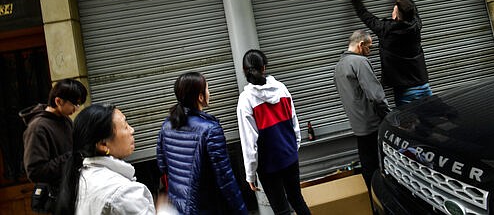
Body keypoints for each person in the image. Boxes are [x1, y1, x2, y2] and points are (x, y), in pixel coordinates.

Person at [157, 72, 247, 215]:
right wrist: (242, 211)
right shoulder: (210, 130)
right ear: (200, 97)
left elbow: (163, 166)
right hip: (205, 207)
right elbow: (226, 179)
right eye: (207, 89)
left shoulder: (166, 125)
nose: (209, 93)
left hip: (178, 205)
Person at [237, 49, 311, 215]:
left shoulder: (245, 100)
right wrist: (293, 147)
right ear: (264, 68)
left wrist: (250, 174)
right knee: (297, 199)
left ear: (244, 70)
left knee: (281, 210)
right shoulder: (281, 88)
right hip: (289, 156)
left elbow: (250, 142)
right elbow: (294, 122)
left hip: (268, 164)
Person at [344, 0, 432, 106]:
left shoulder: (386, 30)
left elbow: (365, 15)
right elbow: (411, 5)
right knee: (431, 122)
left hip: (405, 91)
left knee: (409, 126)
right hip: (424, 85)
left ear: (396, 15)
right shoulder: (416, 24)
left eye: (394, 8)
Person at [55, 103, 160, 215]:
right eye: (125, 127)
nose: (132, 130)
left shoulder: (81, 175)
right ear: (103, 145)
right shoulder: (124, 194)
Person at [333, 30, 391, 191]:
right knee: (382, 166)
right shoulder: (360, 62)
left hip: (358, 127)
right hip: (373, 124)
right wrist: (389, 115)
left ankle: (373, 198)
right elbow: (375, 95)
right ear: (361, 45)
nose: (370, 51)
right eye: (369, 47)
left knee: (367, 165)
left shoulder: (339, 66)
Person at [21, 78, 88, 213]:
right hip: (59, 199)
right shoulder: (37, 128)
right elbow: (35, 171)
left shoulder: (65, 119)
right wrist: (72, 157)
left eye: (79, 104)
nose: (77, 108)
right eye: (74, 103)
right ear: (58, 101)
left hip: (76, 193)